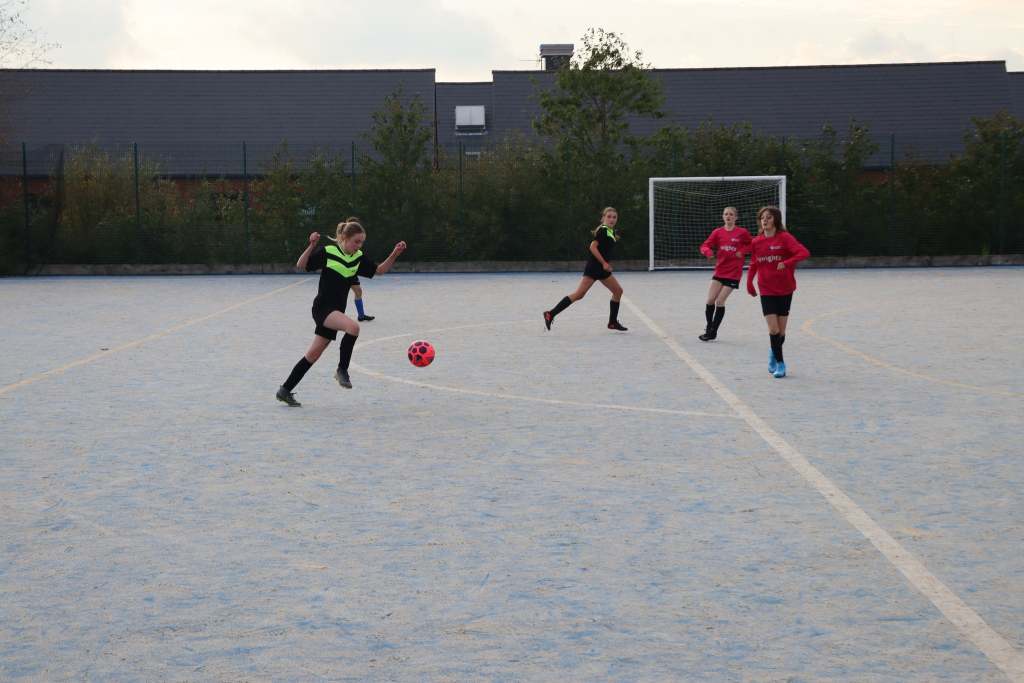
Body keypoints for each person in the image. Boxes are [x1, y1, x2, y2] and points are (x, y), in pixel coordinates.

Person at [276, 221, 406, 406]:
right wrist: (312, 245)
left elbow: (378, 271)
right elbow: (301, 264)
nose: (359, 246)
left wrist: (394, 254)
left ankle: (285, 390)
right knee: (353, 327)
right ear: (345, 238)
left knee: (313, 355)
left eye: (362, 243)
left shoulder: (357, 257)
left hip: (336, 312)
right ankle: (342, 369)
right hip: (323, 308)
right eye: (356, 242)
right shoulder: (329, 252)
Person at [746, 206, 810, 378]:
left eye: (768, 217)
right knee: (773, 329)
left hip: (785, 287)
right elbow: (754, 264)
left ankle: (773, 351)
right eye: (762, 217)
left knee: (781, 333)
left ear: (775, 220)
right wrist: (749, 283)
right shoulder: (756, 242)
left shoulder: (785, 238)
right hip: (766, 288)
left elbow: (804, 252)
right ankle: (781, 364)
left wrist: (787, 262)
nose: (764, 220)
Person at [543, 206, 628, 332]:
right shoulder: (603, 231)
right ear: (603, 218)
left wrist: (604, 265)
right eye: (609, 217)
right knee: (579, 294)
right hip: (595, 266)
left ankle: (612, 322)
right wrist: (604, 263)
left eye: (614, 217)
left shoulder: (610, 232)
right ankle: (550, 313)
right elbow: (592, 247)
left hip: (602, 268)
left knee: (618, 291)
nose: (611, 219)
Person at [698, 206, 752, 341]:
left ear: (736, 217)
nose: (728, 216)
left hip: (734, 272)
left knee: (720, 300)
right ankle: (709, 327)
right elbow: (704, 245)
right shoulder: (718, 232)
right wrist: (708, 252)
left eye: (731, 214)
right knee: (710, 300)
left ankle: (713, 332)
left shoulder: (742, 232)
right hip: (720, 270)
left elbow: (753, 245)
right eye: (726, 214)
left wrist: (744, 250)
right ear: (723, 217)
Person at [343, 217, 375, 321]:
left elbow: (378, 270)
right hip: (342, 272)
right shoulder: (344, 242)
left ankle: (361, 315)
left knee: (358, 291)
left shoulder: (357, 245)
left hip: (352, 271)